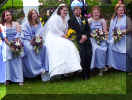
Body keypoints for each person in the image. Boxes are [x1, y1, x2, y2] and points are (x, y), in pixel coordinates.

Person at [39, 3, 82, 79]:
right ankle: (58, 71)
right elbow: (55, 30)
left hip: (61, 36)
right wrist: (64, 36)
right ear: (60, 10)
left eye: (66, 11)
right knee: (62, 46)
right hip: (53, 36)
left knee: (70, 45)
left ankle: (70, 70)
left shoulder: (66, 19)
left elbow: (66, 31)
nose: (65, 12)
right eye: (64, 10)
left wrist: (67, 36)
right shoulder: (55, 18)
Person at [22, 9, 49, 82]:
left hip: (36, 40)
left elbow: (41, 34)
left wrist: (39, 41)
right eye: (32, 14)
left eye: (35, 13)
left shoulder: (39, 23)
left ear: (37, 15)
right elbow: (25, 35)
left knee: (44, 47)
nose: (34, 15)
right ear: (30, 15)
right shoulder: (26, 24)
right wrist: (32, 41)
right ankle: (36, 70)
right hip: (27, 41)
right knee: (30, 49)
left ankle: (44, 69)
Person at [69, 1, 92, 80]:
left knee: (88, 55)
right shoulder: (71, 20)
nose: (78, 11)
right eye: (76, 9)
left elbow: (88, 30)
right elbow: (72, 32)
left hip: (86, 40)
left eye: (79, 9)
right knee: (82, 55)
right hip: (78, 41)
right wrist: (80, 37)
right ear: (73, 10)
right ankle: (83, 75)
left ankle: (88, 73)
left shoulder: (84, 18)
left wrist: (85, 35)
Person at [1, 10, 24, 85]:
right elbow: (4, 38)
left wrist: (16, 44)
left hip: (16, 41)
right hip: (6, 43)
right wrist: (10, 45)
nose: (8, 16)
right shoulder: (2, 26)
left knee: (18, 52)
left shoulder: (16, 23)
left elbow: (19, 34)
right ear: (4, 17)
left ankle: (19, 79)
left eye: (10, 15)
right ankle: (7, 79)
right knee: (7, 52)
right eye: (7, 15)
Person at [107, 4, 131, 72]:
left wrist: (122, 32)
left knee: (126, 48)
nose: (121, 11)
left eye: (122, 10)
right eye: (119, 10)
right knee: (110, 44)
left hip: (125, 37)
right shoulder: (114, 19)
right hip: (116, 37)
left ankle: (126, 68)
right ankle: (113, 66)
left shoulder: (127, 18)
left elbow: (130, 28)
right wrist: (111, 38)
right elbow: (111, 30)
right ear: (116, 11)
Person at [88, 6, 108, 76]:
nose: (96, 14)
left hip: (101, 38)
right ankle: (94, 67)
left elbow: (105, 31)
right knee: (96, 49)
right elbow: (87, 31)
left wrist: (103, 37)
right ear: (92, 13)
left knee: (102, 49)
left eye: (97, 12)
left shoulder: (102, 20)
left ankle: (101, 69)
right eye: (94, 13)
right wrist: (93, 35)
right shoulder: (89, 20)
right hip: (92, 39)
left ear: (99, 13)